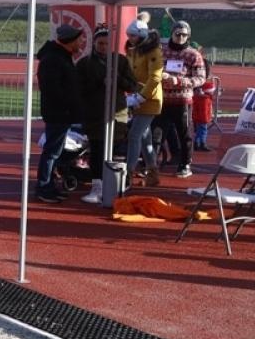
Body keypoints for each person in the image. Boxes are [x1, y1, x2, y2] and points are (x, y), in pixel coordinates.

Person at [75, 23, 136, 204]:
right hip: (94, 113)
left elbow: (132, 85)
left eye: (106, 43)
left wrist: (116, 79)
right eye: (100, 43)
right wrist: (99, 83)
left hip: (117, 113)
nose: (103, 47)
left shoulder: (121, 61)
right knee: (97, 149)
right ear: (94, 43)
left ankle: (116, 183)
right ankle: (97, 185)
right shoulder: (85, 63)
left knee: (115, 149)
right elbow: (79, 89)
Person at [35, 24, 85, 202]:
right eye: (79, 39)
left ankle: (48, 184)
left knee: (54, 151)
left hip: (62, 112)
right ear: (71, 41)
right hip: (58, 113)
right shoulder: (54, 59)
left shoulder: (61, 56)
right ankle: (43, 186)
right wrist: (69, 105)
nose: (82, 42)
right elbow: (53, 89)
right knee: (52, 152)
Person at [158, 20, 207, 178]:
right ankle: (150, 164)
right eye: (177, 34)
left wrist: (180, 81)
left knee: (184, 134)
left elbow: (201, 78)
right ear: (172, 34)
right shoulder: (161, 51)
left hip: (182, 100)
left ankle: (185, 164)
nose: (180, 37)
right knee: (156, 133)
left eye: (184, 35)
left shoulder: (194, 55)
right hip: (162, 99)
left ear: (189, 36)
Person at [124, 18, 165, 187]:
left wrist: (141, 96)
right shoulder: (133, 50)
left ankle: (128, 173)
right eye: (129, 35)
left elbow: (155, 77)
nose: (130, 38)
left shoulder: (153, 52)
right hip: (137, 98)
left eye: (133, 35)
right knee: (145, 139)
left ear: (141, 35)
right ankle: (153, 172)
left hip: (149, 100)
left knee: (134, 135)